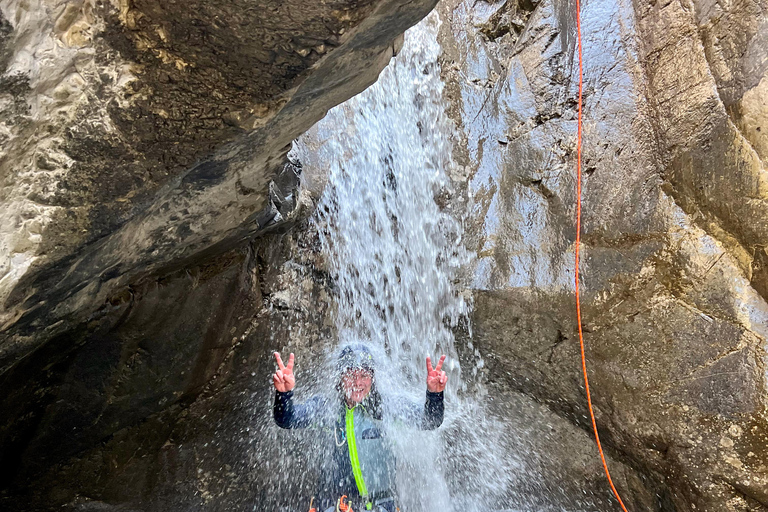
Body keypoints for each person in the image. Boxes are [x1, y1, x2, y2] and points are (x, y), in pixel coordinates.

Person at [272, 344, 448, 512]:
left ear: (372, 378)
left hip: (379, 504)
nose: (358, 382)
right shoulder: (325, 407)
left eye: (364, 375)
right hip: (332, 503)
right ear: (340, 377)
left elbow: (429, 421)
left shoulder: (388, 407)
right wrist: (284, 394)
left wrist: (434, 395)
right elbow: (288, 420)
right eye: (350, 375)